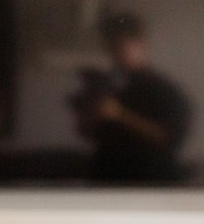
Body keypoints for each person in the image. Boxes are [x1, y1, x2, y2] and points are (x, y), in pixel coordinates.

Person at [70, 10, 191, 182]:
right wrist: (90, 115)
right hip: (106, 180)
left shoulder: (166, 90)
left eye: (121, 46)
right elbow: (86, 132)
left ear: (140, 43)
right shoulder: (106, 84)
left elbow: (170, 137)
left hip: (151, 182)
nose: (116, 54)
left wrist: (120, 115)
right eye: (112, 47)